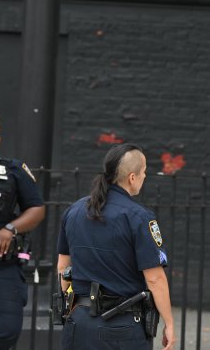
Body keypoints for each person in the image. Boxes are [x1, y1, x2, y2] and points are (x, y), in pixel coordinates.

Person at [56, 143, 175, 350]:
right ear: (132, 177)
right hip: (121, 327)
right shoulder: (138, 217)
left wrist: (68, 307)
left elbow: (62, 268)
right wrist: (169, 323)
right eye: (144, 172)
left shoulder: (73, 211)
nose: (145, 177)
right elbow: (155, 278)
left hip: (78, 323)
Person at [0, 103, 45, 349]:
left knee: (3, 332)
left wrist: (10, 229)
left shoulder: (12, 169)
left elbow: (37, 209)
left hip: (0, 264)